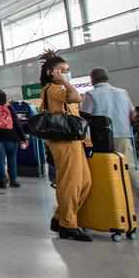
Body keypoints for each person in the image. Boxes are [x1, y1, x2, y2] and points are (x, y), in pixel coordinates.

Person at [83, 68, 139, 214]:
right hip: (123, 135)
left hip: (102, 139)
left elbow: (85, 118)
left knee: (104, 167)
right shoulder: (122, 92)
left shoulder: (91, 95)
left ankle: (111, 198)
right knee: (129, 166)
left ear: (92, 80)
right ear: (107, 78)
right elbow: (133, 114)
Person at [39, 50, 92, 242]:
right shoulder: (54, 89)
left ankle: (60, 217)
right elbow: (76, 98)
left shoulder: (60, 88)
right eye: (62, 70)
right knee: (70, 183)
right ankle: (68, 224)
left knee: (85, 182)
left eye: (67, 70)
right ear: (51, 73)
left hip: (74, 140)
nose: (66, 73)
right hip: (64, 141)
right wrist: (65, 81)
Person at [0, 90, 28, 190]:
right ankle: (13, 180)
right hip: (11, 138)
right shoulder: (9, 108)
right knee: (12, 159)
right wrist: (23, 138)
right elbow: (17, 124)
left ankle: (2, 181)